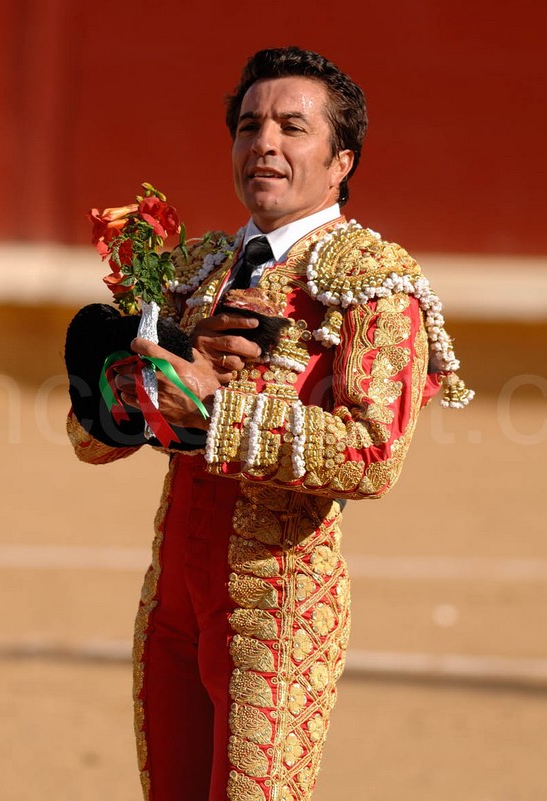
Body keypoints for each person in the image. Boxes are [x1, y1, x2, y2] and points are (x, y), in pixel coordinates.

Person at [66, 46, 470, 801]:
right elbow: (89, 438)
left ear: (342, 160)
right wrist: (143, 382)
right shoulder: (197, 272)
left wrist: (213, 410)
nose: (265, 144)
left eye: (292, 127)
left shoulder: (372, 281)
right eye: (249, 126)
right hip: (171, 604)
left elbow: (373, 453)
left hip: (279, 610)